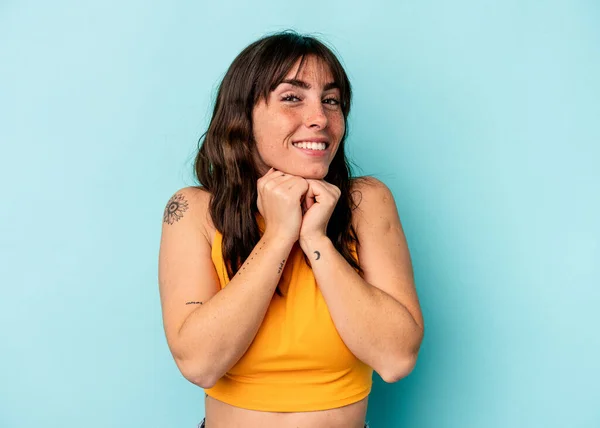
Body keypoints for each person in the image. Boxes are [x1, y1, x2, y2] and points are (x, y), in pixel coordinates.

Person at [158, 30, 424, 428]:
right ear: (242, 115)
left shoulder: (367, 201)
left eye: (331, 101)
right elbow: (199, 364)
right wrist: (278, 235)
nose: (320, 118)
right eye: (292, 97)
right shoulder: (193, 210)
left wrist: (315, 238)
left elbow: (396, 358)